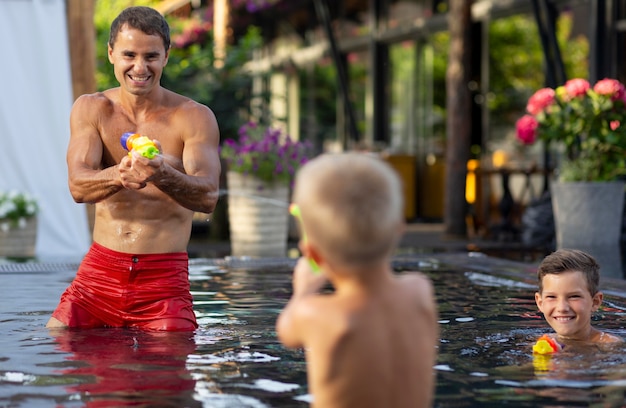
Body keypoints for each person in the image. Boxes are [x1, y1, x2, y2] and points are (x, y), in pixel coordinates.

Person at [46, 6, 220, 331]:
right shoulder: (91, 109)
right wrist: (119, 174)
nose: (140, 67)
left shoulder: (194, 117)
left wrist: (162, 174)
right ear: (111, 53)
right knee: (57, 340)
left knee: (168, 369)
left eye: (151, 56)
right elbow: (78, 187)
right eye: (129, 55)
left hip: (164, 279)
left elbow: (208, 196)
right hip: (99, 273)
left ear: (166, 56)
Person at [276, 152, 439, 408]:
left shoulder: (318, 315)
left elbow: (285, 331)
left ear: (314, 254)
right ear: (399, 227)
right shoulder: (420, 291)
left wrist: (303, 291)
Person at [534, 249, 623, 346]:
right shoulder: (542, 342)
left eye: (574, 296)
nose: (562, 308)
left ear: (595, 302)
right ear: (540, 303)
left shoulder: (610, 345)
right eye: (551, 297)